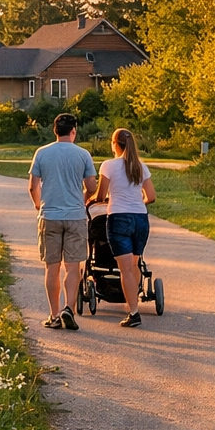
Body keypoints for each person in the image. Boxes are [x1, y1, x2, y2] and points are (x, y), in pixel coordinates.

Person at [28, 113, 97, 330]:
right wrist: (83, 199)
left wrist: (39, 204)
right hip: (75, 216)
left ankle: (54, 314)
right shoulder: (83, 154)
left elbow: (33, 186)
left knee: (52, 267)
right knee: (73, 265)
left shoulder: (42, 153)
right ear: (74, 131)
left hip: (50, 216)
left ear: (54, 130)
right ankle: (69, 308)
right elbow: (92, 187)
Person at [91, 127, 157, 327]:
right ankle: (132, 303)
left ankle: (134, 313)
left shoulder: (108, 166)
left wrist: (92, 200)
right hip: (140, 219)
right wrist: (136, 202)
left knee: (125, 268)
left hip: (119, 217)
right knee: (135, 263)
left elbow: (101, 196)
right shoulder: (140, 166)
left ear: (115, 145)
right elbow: (151, 197)